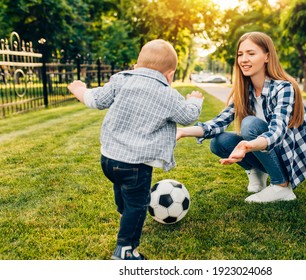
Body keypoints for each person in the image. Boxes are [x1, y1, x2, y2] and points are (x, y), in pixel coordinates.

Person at [67, 39, 204, 260]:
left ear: (136, 65)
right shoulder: (167, 94)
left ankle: (124, 214)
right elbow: (188, 116)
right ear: (170, 74)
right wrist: (195, 101)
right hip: (136, 165)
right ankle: (125, 250)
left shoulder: (120, 80)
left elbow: (95, 100)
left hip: (109, 159)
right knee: (138, 205)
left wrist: (80, 89)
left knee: (121, 189)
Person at [177, 32, 306, 203]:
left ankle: (282, 186)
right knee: (218, 141)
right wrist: (182, 132)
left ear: (267, 57)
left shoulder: (283, 88)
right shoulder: (245, 90)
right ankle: (258, 173)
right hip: (266, 150)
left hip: (290, 156)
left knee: (249, 125)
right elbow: (218, 123)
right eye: (240, 54)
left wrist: (248, 145)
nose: (243, 59)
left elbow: (277, 133)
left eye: (251, 53)